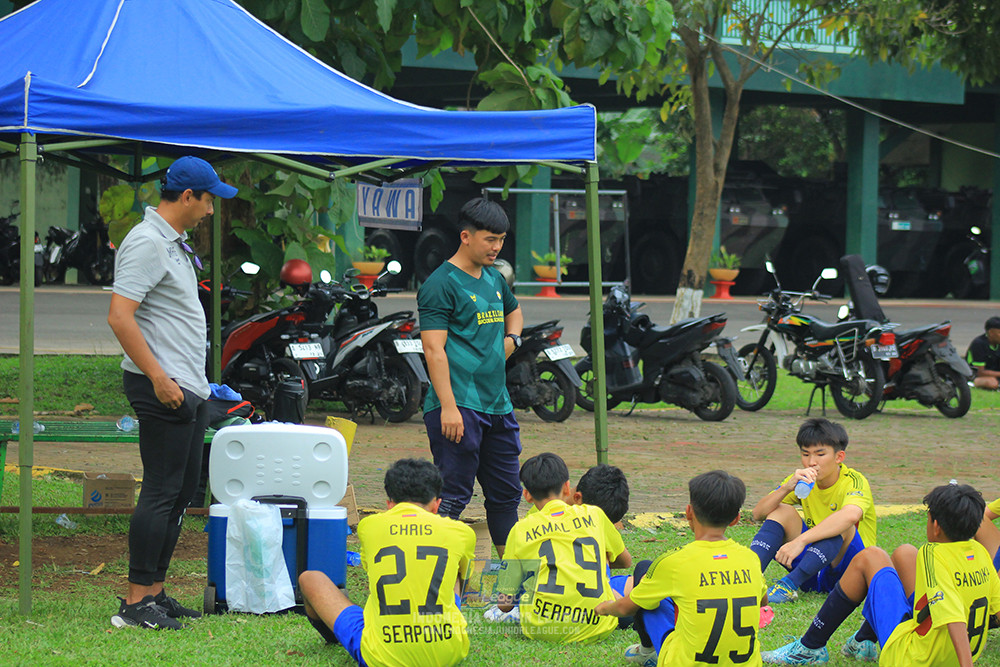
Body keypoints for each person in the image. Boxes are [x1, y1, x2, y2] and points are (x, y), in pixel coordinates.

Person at [107, 156, 236, 630]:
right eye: (208, 201)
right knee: (161, 491)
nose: (210, 210)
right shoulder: (146, 243)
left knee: (181, 491)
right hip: (161, 385)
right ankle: (136, 600)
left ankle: (156, 592)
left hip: (188, 385)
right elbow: (120, 316)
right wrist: (159, 377)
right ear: (187, 197)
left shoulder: (173, 244)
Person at [761, 482, 1000, 666]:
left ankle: (809, 647)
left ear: (935, 525)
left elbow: (953, 618)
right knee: (906, 553)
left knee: (870, 557)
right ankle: (862, 641)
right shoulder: (979, 552)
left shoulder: (933, 553)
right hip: (947, 651)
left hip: (914, 657)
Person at [418, 197, 524, 555]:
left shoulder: (494, 277)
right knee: (453, 495)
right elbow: (433, 350)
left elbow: (516, 311)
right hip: (458, 405)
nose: (496, 247)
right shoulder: (440, 284)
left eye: (501, 240)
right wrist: (448, 407)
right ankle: (439, 579)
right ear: (466, 236)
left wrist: (512, 341)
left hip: (497, 404)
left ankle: (511, 589)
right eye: (489, 239)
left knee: (506, 494)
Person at [299, 458, 476, 667]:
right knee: (455, 569)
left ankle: (336, 637)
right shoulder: (462, 532)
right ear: (437, 504)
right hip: (449, 654)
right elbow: (464, 582)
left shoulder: (369, 526)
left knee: (310, 578)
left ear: (389, 504)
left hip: (381, 657)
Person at [595, 470, 766, 667]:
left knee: (645, 575)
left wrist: (603, 608)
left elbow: (626, 608)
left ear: (689, 512)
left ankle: (647, 652)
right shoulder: (751, 559)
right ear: (736, 519)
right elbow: (762, 602)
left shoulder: (674, 562)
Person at [495, 452, 631, 643]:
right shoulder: (595, 514)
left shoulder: (520, 530)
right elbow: (626, 562)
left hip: (541, 630)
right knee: (630, 581)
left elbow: (504, 604)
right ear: (567, 487)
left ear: (526, 495)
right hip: (598, 625)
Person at [749, 417, 876, 605]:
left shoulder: (854, 481)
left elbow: (851, 515)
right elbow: (757, 514)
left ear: (839, 457)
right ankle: (749, 577)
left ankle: (788, 585)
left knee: (844, 523)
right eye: (805, 454)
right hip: (813, 567)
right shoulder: (802, 480)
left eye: (820, 454)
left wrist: (800, 541)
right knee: (781, 510)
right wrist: (786, 487)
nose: (811, 462)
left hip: (848, 574)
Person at [966, 316, 1000, 390]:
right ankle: (970, 384)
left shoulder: (998, 344)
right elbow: (980, 372)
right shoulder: (979, 344)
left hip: (995, 374)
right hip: (975, 375)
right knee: (991, 383)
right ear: (991, 333)